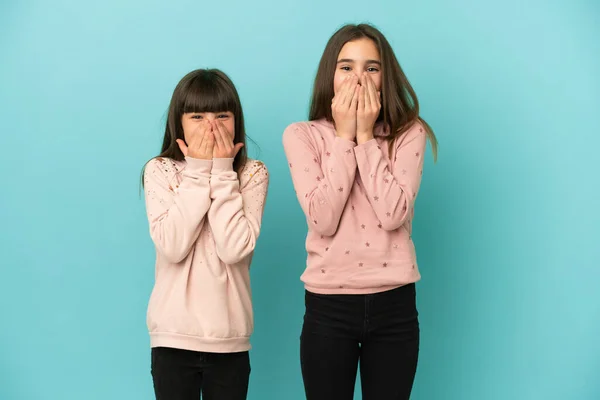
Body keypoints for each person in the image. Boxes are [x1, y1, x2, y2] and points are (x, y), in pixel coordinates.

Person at [282, 23, 438, 400]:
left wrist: (366, 136)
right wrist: (343, 136)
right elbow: (322, 218)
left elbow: (392, 215)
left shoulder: (409, 133)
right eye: (346, 66)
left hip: (394, 304)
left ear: (385, 77)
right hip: (328, 306)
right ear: (330, 75)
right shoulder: (302, 135)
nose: (358, 78)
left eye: (371, 67)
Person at [142, 68, 269, 400]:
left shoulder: (251, 173)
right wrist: (198, 171)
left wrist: (223, 171)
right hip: (172, 339)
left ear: (235, 121)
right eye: (197, 115)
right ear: (179, 122)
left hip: (230, 341)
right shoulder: (161, 170)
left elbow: (234, 250)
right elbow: (172, 246)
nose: (211, 126)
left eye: (222, 115)